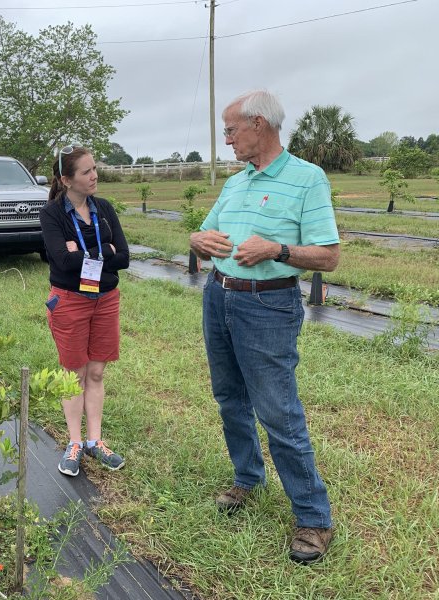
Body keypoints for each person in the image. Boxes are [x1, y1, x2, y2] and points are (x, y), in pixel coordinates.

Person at [190, 90, 340, 564]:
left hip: (267, 305)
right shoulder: (236, 183)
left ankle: (314, 518)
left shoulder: (306, 179)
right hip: (219, 296)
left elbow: (329, 256)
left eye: (232, 129)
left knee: (278, 411)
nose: (227, 138)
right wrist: (197, 238)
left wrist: (277, 250)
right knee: (229, 397)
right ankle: (247, 479)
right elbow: (202, 232)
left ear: (259, 124)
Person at [39, 143, 130, 478]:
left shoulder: (103, 208)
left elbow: (124, 257)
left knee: (96, 373)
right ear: (66, 179)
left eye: (95, 169)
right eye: (86, 171)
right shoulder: (51, 214)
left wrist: (86, 251)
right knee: (73, 374)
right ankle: (75, 443)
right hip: (70, 301)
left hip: (105, 300)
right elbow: (61, 262)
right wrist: (102, 250)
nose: (94, 176)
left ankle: (95, 441)